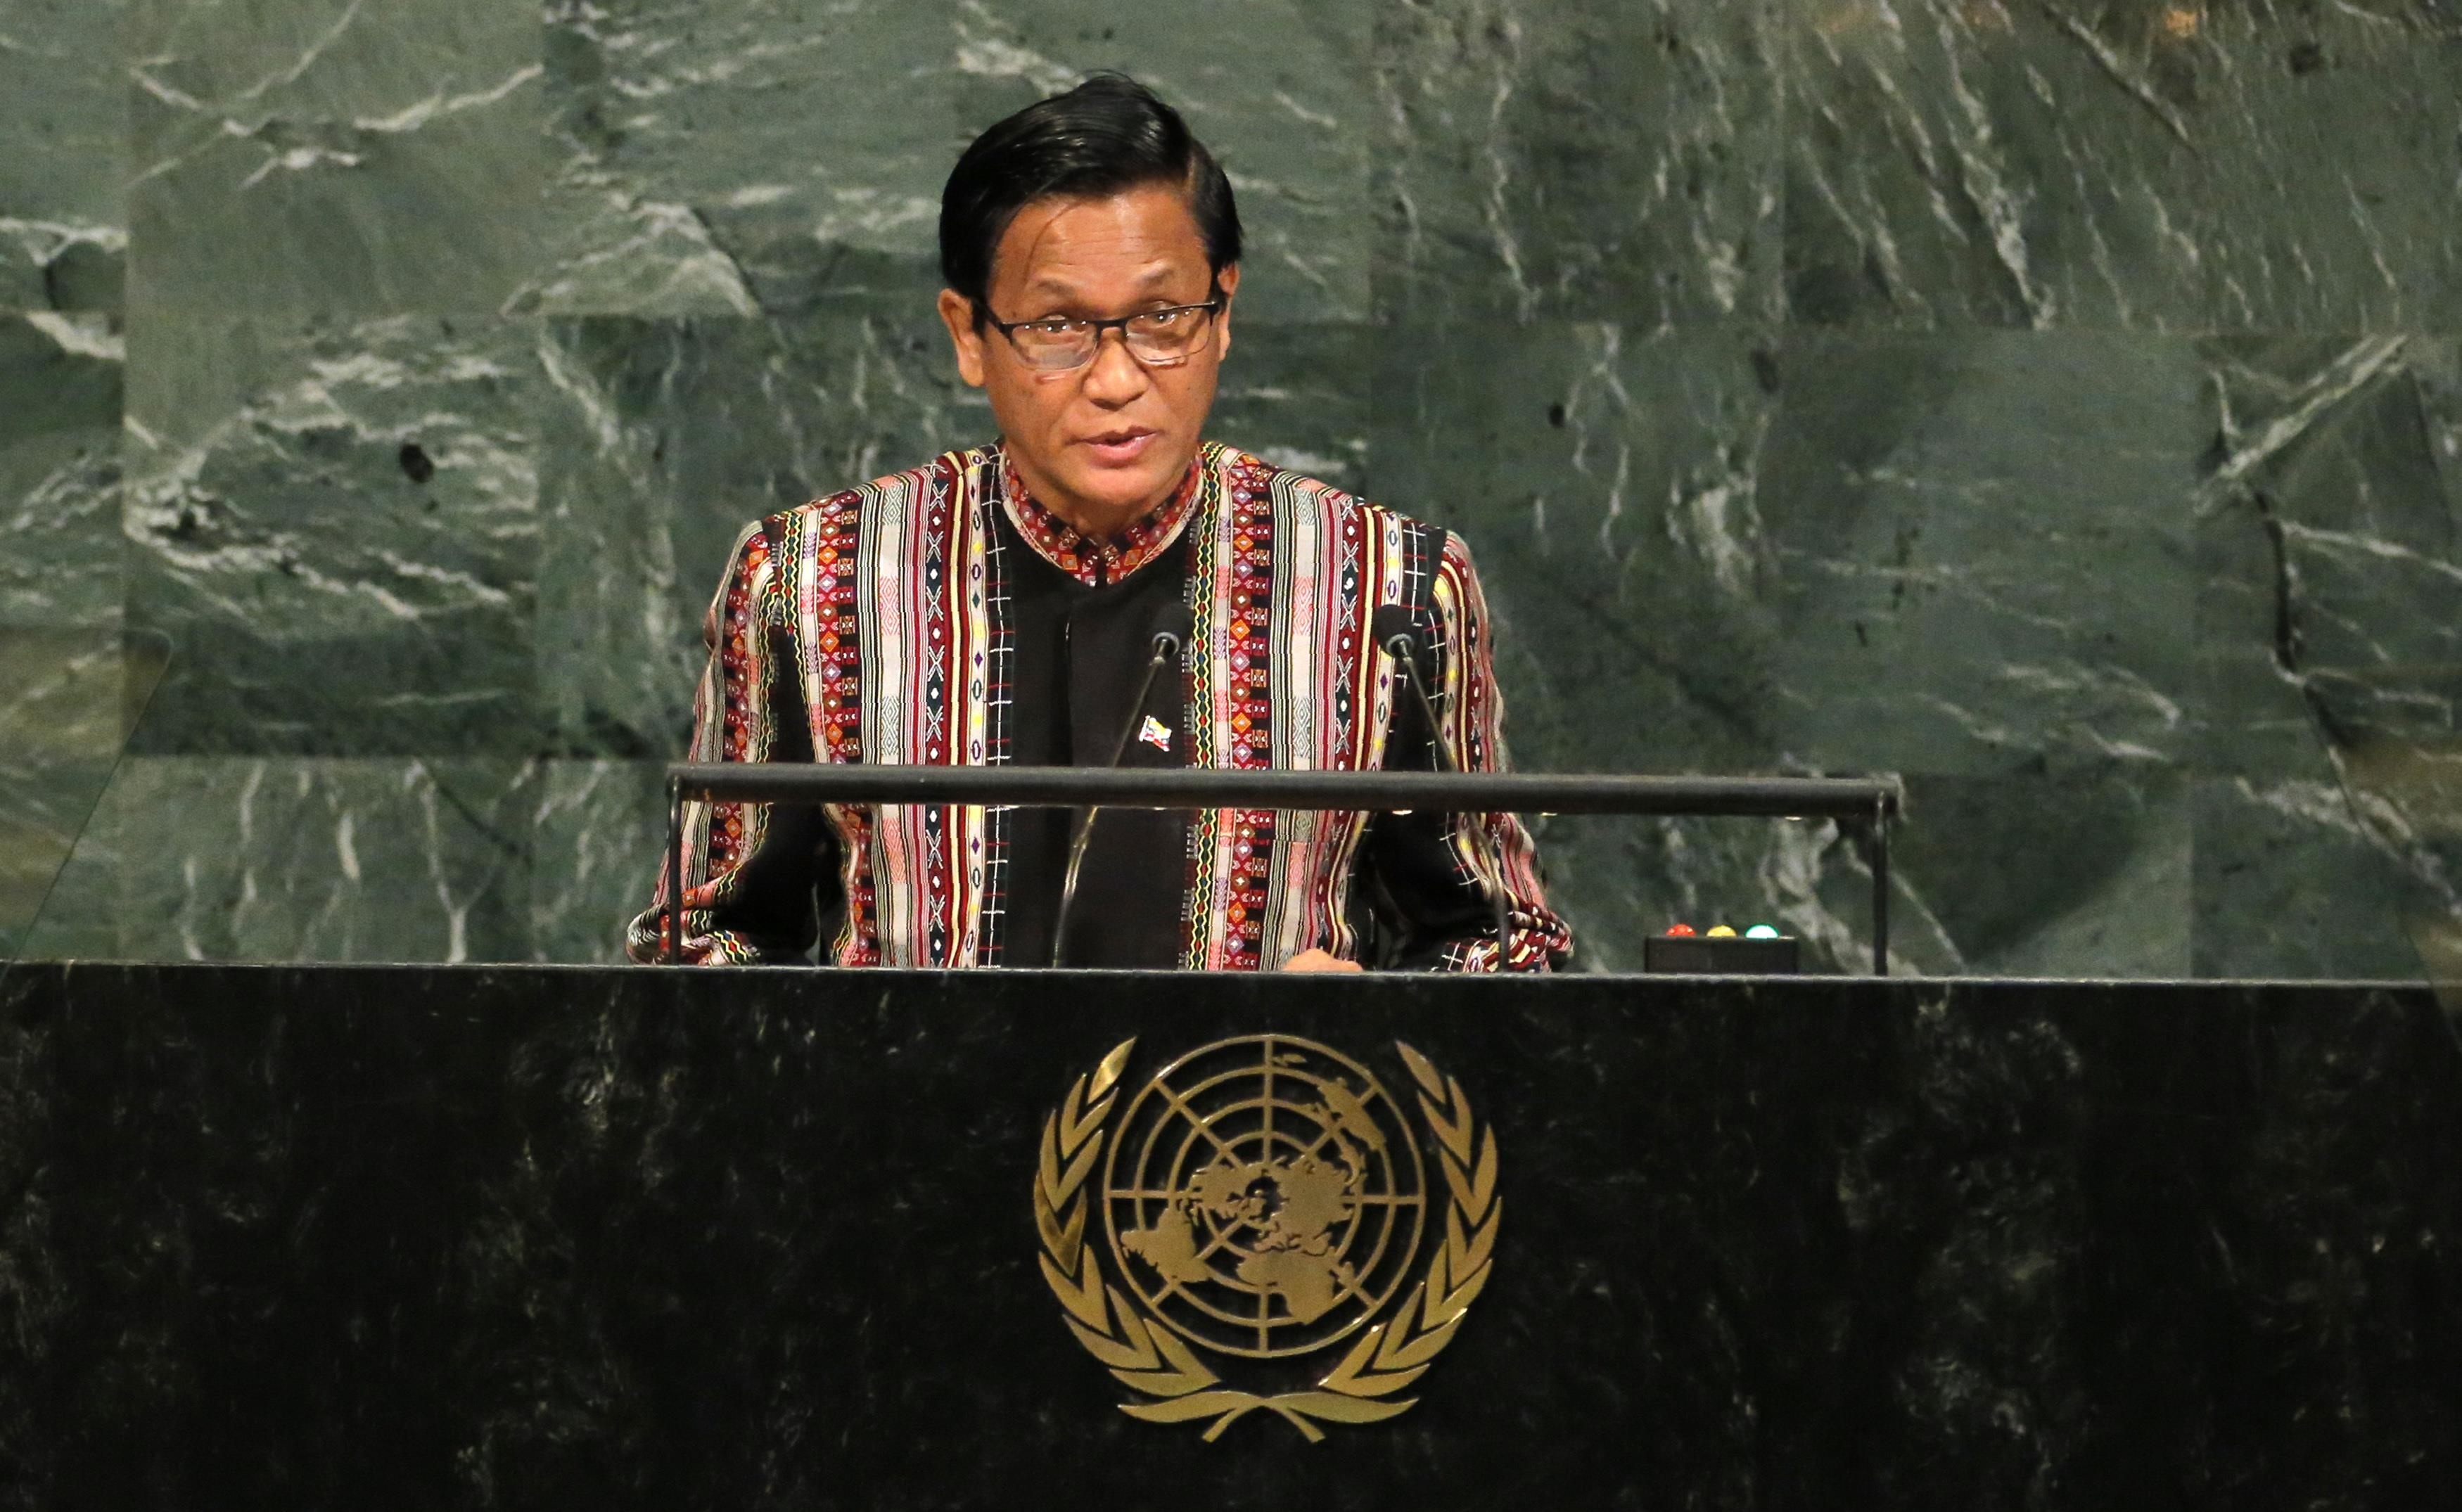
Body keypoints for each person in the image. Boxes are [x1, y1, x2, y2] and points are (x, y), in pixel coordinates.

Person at [626, 75, 1569, 973]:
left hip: (1244, 1091)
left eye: (1163, 317)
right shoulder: (811, 580)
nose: (1117, 380)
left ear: (1224, 311)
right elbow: (705, 952)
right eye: (1057, 327)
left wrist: (1355, 1022)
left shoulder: (1391, 586)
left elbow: (1502, 944)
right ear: (968, 334)